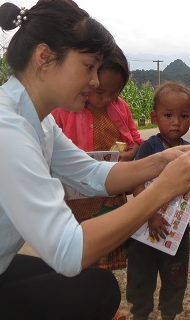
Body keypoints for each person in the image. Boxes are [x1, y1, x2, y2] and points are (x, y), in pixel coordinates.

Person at [0, 0, 190, 320]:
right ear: (45, 57)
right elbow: (69, 251)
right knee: (97, 290)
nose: (96, 82)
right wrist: (162, 190)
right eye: (88, 67)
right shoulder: (2, 132)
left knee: (92, 285)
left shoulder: (35, 121)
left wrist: (162, 161)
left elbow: (94, 175)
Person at [52, 44, 143, 270]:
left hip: (110, 193)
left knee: (106, 252)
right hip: (75, 197)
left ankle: (101, 298)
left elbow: (135, 138)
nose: (106, 99)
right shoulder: (65, 108)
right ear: (89, 79)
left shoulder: (121, 108)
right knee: (79, 253)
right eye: (100, 92)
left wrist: (133, 152)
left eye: (115, 93)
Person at [126, 82, 190, 320]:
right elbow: (136, 181)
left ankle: (170, 314)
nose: (176, 122)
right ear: (154, 116)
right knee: (140, 277)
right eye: (168, 115)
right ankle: (140, 314)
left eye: (184, 116)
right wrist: (151, 215)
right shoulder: (149, 147)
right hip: (144, 227)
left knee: (175, 276)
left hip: (175, 230)